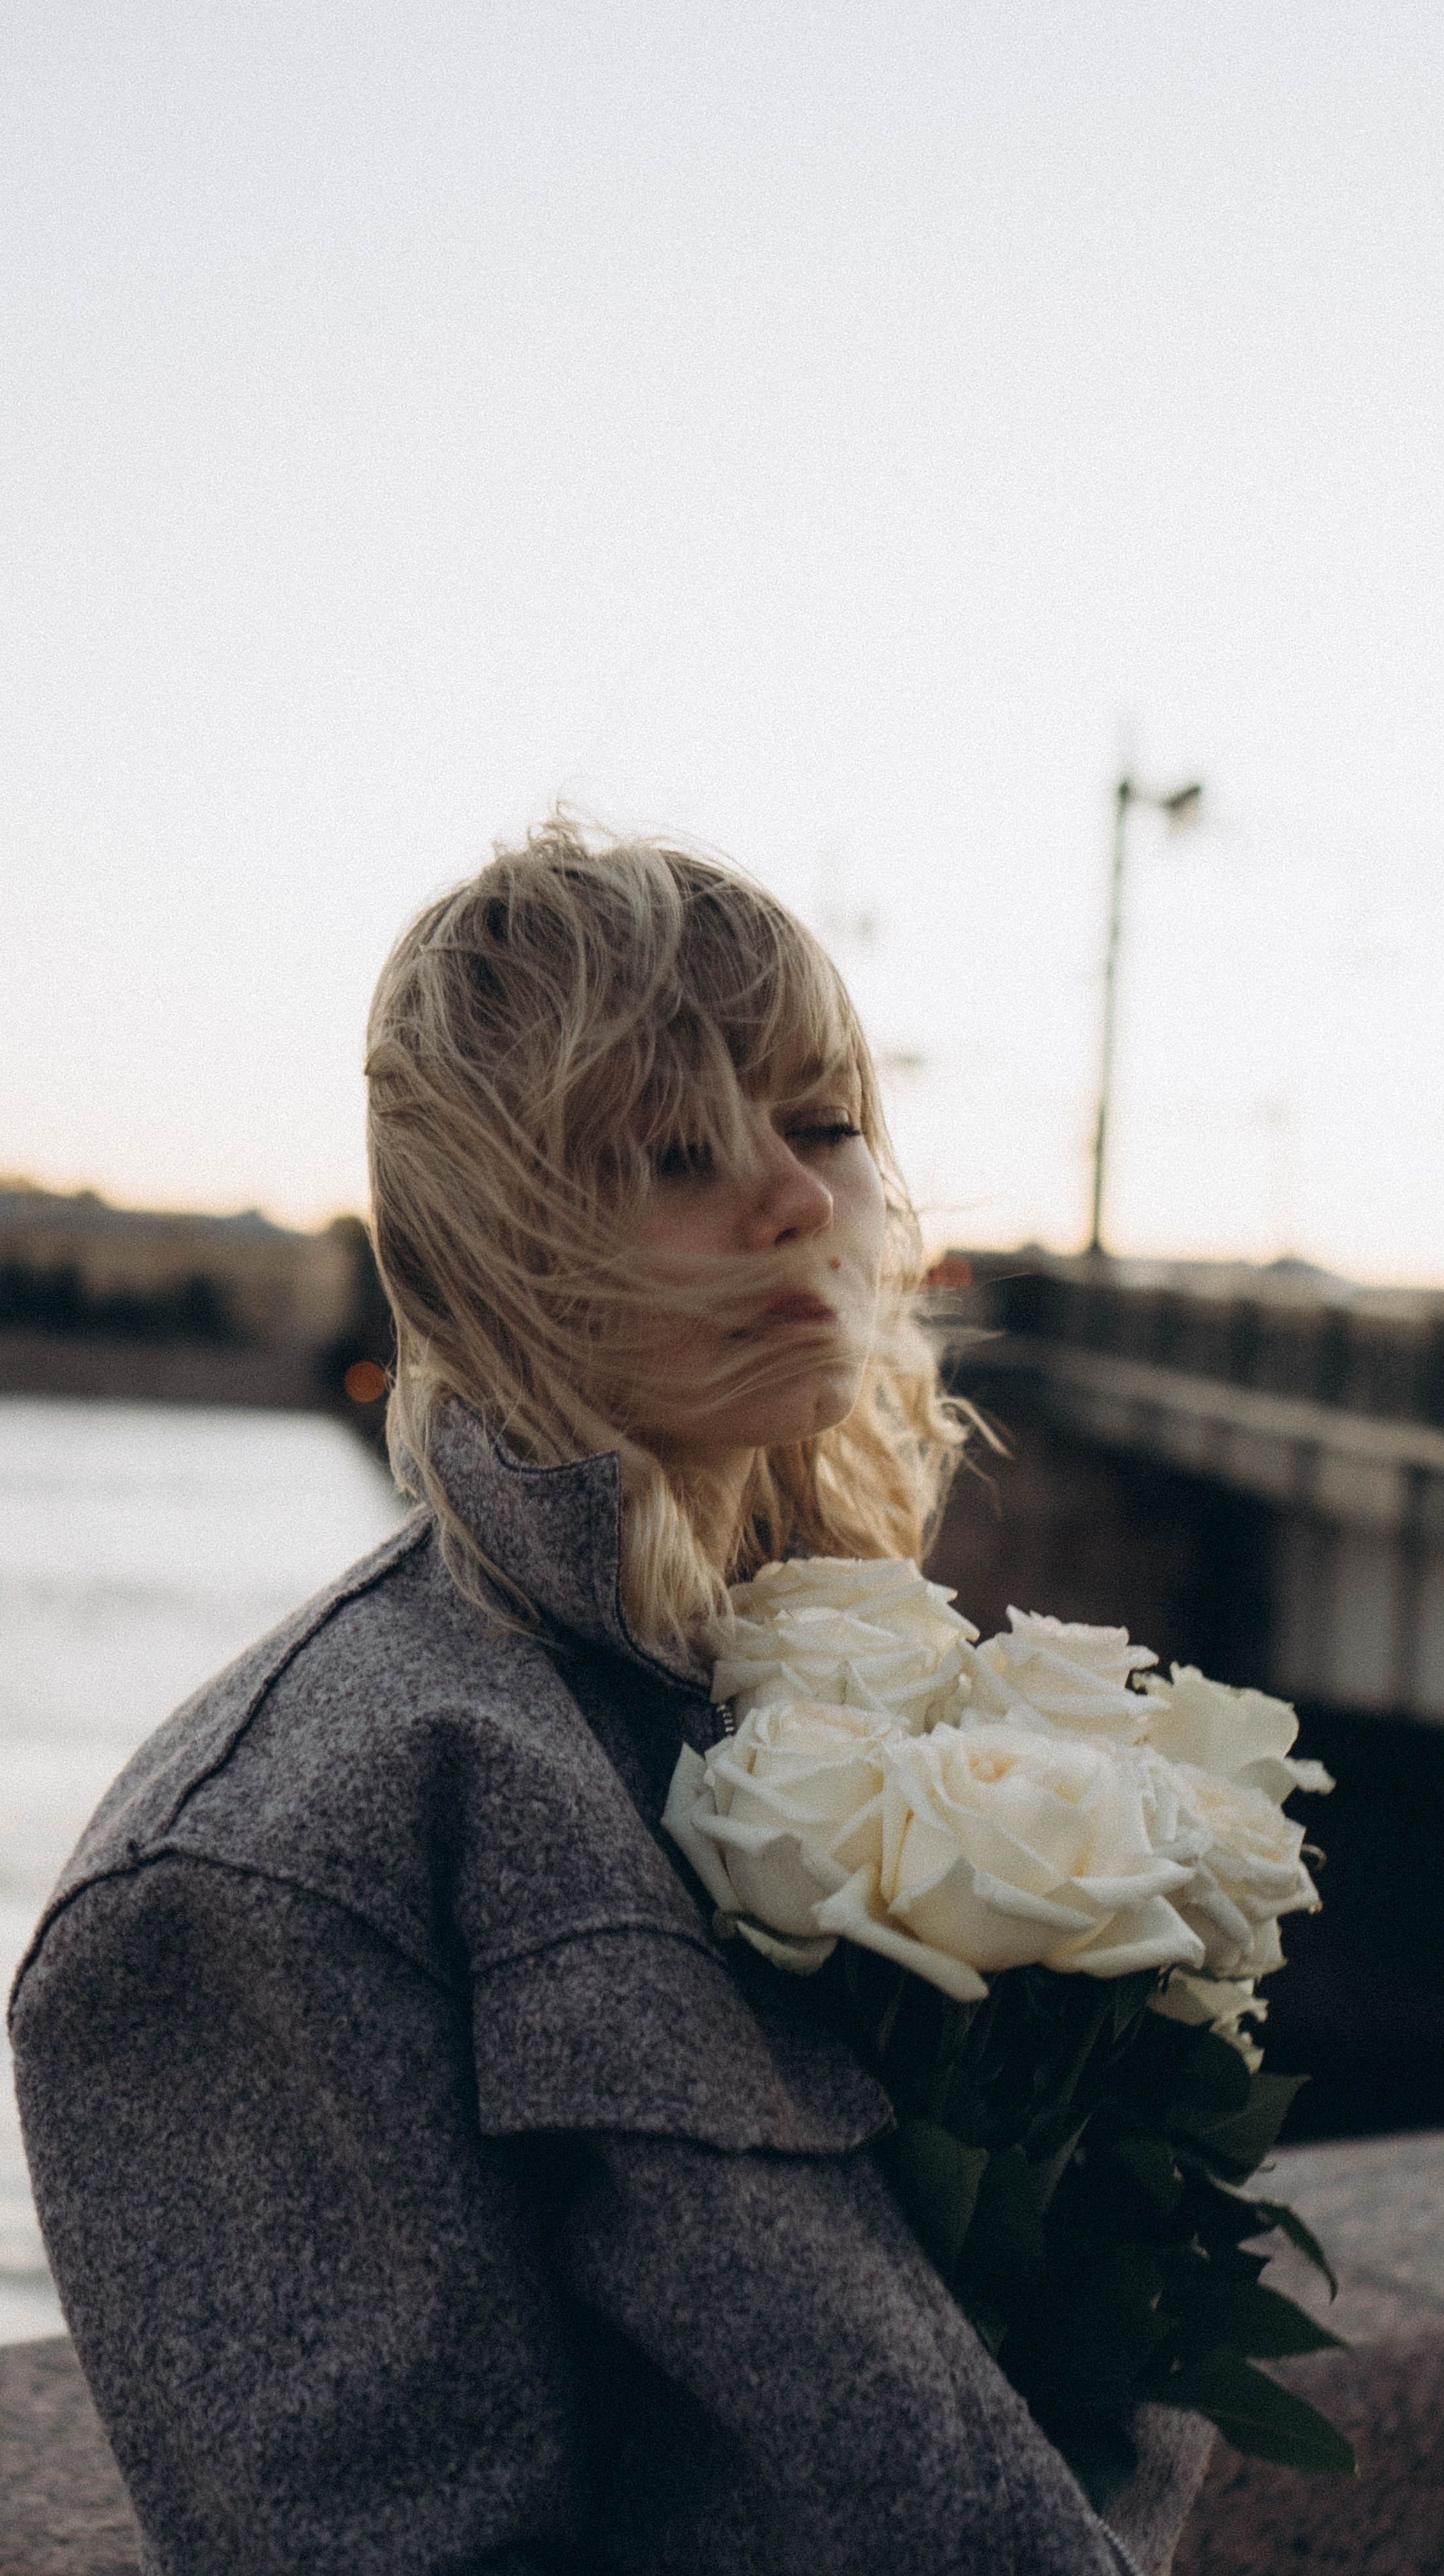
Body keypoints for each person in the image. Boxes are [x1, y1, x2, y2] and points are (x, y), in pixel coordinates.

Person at [9, 818, 1212, 2574]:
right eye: (675, 1150)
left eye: (824, 1127)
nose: (799, 1200)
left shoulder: (836, 1699)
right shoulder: (279, 1851)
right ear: (495, 1236)